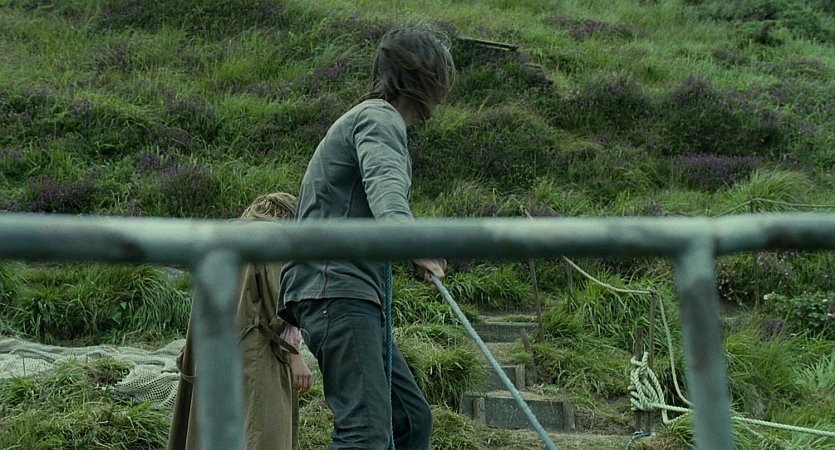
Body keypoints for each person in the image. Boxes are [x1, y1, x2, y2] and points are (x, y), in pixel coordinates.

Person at [279, 25, 455, 449]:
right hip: (337, 289)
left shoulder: (369, 117)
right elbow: (385, 187)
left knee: (410, 419)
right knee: (365, 433)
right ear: (427, 79)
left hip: (345, 291)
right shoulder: (379, 118)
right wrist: (413, 244)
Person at [168, 192, 312, 450]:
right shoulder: (270, 239)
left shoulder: (221, 237)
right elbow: (281, 306)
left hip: (213, 350)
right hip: (255, 354)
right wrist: (295, 356)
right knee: (259, 431)